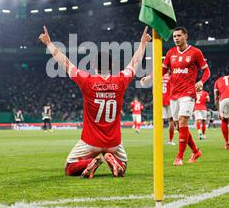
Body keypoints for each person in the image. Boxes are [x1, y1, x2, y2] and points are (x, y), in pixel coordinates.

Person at [39, 25, 151, 178]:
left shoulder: (87, 80)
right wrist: (143, 43)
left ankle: (89, 163)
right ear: (112, 66)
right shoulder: (120, 80)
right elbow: (135, 62)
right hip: (114, 142)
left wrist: (49, 44)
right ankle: (113, 161)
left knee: (69, 168)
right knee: (123, 166)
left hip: (90, 141)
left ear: (93, 66)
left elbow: (65, 63)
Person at [142, 27, 210, 166]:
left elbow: (206, 71)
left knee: (182, 121)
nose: (176, 38)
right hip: (174, 94)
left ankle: (179, 157)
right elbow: (162, 70)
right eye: (174, 36)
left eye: (179, 35)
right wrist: (149, 78)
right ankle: (196, 151)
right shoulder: (171, 53)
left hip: (188, 93)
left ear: (186, 35)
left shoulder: (195, 52)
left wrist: (201, 82)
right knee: (179, 126)